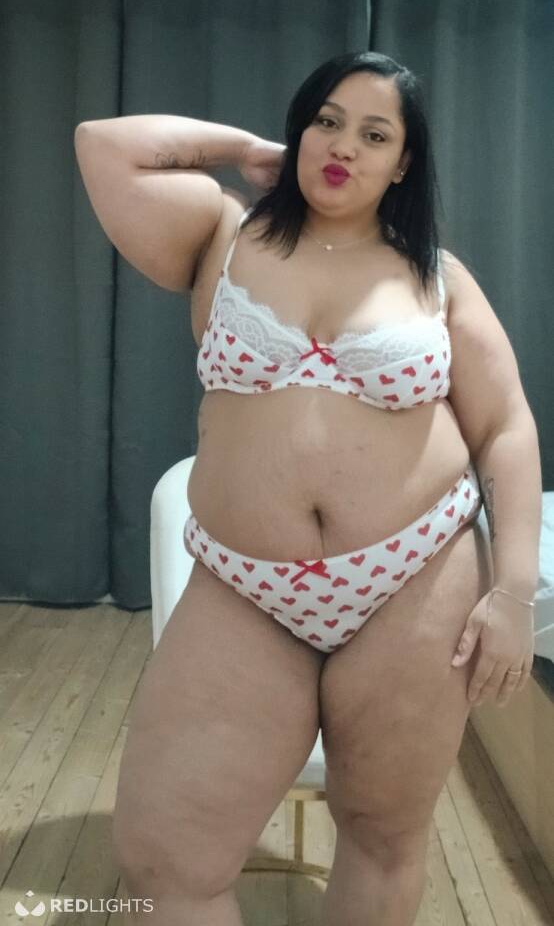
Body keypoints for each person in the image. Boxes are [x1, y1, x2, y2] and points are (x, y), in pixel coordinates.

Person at [75, 51, 540, 926]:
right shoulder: (222, 235)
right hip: (245, 588)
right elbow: (104, 145)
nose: (343, 146)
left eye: (374, 134)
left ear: (403, 163)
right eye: (326, 121)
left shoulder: (437, 277)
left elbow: (506, 428)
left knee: (382, 833)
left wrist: (514, 591)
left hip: (417, 579)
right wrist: (247, 150)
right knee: (164, 857)